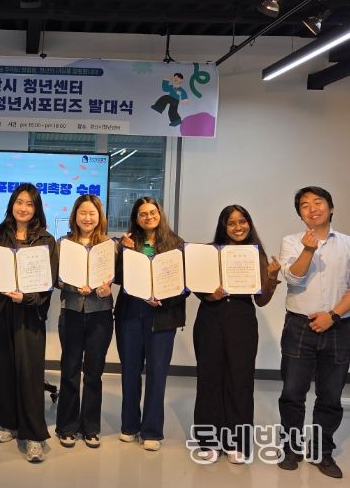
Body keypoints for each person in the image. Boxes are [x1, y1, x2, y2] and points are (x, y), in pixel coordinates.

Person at [191, 205, 280, 464]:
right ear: (223, 226)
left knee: (240, 381)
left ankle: (236, 443)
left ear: (249, 224)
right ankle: (208, 441)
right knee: (209, 379)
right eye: (231, 223)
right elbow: (196, 285)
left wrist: (271, 277)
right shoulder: (209, 251)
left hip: (242, 321)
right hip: (210, 319)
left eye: (243, 221)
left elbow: (261, 300)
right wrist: (211, 295)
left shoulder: (255, 254)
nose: (238, 227)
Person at [0, 183, 57, 463]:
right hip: (1, 310)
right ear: (12, 204)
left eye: (29, 203)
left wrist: (28, 298)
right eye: (19, 202)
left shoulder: (46, 240)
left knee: (29, 373)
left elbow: (49, 282)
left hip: (29, 312)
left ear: (36, 209)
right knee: (3, 368)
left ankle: (34, 435)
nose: (23, 208)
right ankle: (9, 423)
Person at [277, 186, 350, 479]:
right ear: (300, 214)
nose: (312, 208)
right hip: (299, 327)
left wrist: (333, 315)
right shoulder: (291, 241)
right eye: (304, 205)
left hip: (339, 326)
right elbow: (294, 278)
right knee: (292, 393)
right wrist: (308, 249)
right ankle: (291, 448)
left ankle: (322, 451)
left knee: (330, 395)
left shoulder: (347, 244)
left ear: (330, 208)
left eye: (318, 202)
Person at [114, 196, 187, 452]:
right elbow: (117, 278)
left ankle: (152, 431)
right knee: (130, 372)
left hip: (162, 316)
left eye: (152, 212)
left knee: (157, 374)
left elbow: (185, 285)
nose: (148, 217)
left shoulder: (176, 244)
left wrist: (164, 299)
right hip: (130, 314)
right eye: (143, 214)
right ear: (136, 218)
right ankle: (129, 426)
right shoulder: (128, 242)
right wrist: (123, 252)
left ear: (160, 214)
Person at [55, 195, 115, 449]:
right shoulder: (63, 244)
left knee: (93, 373)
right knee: (69, 371)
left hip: (100, 314)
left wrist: (105, 289)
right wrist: (71, 284)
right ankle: (67, 426)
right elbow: (56, 279)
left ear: (99, 216)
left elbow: (115, 278)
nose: (87, 218)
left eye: (92, 213)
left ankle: (90, 427)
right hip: (71, 312)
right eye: (83, 213)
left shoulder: (110, 246)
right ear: (75, 216)